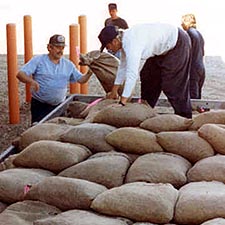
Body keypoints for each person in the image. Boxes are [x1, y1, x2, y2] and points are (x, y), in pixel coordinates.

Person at [98, 23, 192, 118]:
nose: (109, 50)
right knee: (147, 75)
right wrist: (114, 91)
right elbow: (122, 67)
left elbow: (132, 75)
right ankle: (146, 110)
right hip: (161, 49)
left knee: (172, 84)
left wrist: (122, 102)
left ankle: (185, 117)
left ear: (114, 41)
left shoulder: (132, 44)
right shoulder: (124, 42)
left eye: (107, 47)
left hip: (177, 42)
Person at [17, 34, 93, 124]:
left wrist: (90, 72)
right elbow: (20, 74)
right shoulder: (39, 60)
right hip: (40, 105)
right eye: (57, 47)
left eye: (62, 48)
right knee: (38, 131)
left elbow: (81, 80)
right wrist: (31, 81)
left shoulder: (68, 64)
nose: (60, 50)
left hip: (59, 106)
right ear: (49, 47)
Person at [181, 13, 205, 99]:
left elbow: (185, 52)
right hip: (201, 67)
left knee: (192, 99)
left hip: (193, 69)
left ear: (187, 22)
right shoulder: (199, 34)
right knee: (197, 97)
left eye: (182, 22)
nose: (181, 24)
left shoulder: (189, 33)